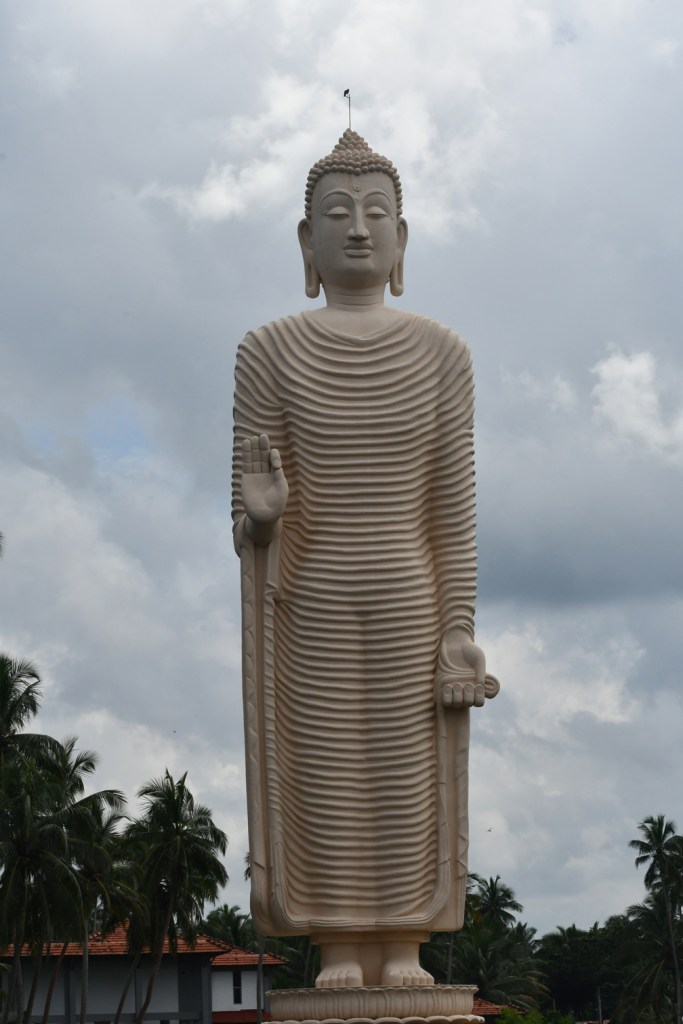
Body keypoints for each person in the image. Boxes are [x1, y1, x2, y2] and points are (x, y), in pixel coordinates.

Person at [232, 130, 497, 989]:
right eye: (334, 214)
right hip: (310, 591)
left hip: (409, 590)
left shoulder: (442, 353)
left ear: (402, 237)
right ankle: (339, 941)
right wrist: (262, 521)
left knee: (405, 769)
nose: (356, 230)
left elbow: (452, 512)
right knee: (324, 766)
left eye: (375, 213)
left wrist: (456, 630)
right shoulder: (266, 351)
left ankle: (404, 942)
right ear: (303, 241)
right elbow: (248, 511)